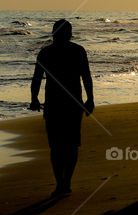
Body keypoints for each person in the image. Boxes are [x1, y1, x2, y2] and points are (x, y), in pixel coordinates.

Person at [30, 19, 94, 198]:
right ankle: (65, 182)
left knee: (57, 145)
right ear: (69, 34)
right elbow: (86, 77)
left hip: (54, 103)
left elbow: (36, 78)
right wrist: (90, 99)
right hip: (73, 103)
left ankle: (61, 182)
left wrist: (34, 98)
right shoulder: (77, 51)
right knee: (71, 145)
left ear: (53, 33)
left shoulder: (46, 52)